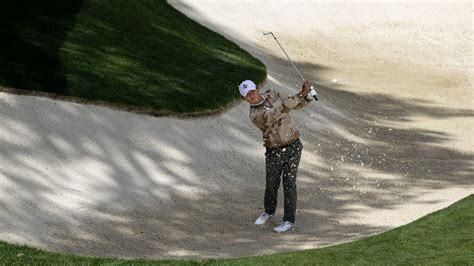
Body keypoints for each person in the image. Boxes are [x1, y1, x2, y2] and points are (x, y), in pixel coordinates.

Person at [239, 79, 312, 233]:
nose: (251, 96)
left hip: (293, 145)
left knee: (289, 184)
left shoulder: (273, 94)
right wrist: (301, 93)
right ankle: (269, 211)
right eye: (247, 95)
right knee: (271, 184)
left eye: (252, 92)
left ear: (257, 89)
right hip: (274, 150)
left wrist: (307, 98)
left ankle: (288, 220)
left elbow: (294, 104)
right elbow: (279, 111)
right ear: (243, 98)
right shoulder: (255, 114)